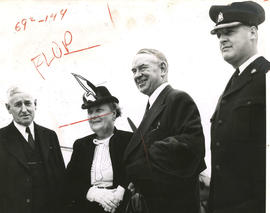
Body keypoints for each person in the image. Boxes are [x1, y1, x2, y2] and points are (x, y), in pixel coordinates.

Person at [123, 48, 206, 213]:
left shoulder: (178, 98)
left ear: (163, 68)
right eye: (134, 71)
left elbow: (192, 146)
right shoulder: (154, 104)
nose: (137, 75)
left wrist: (141, 164)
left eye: (142, 68)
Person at [208, 1, 270, 213]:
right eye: (218, 34)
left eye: (230, 31)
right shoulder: (233, 84)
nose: (222, 39)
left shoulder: (266, 76)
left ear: (253, 32)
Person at [66, 74, 132, 213]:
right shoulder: (81, 145)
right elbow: (69, 181)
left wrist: (120, 191)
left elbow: (136, 171)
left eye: (99, 110)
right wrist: (92, 193)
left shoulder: (129, 140)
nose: (93, 116)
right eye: (90, 112)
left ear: (113, 114)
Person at [0, 86, 66, 213]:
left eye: (28, 103)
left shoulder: (50, 136)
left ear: (35, 104)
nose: (24, 110)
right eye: (18, 105)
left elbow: (60, 176)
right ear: (8, 108)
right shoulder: (1, 138)